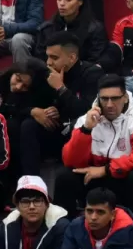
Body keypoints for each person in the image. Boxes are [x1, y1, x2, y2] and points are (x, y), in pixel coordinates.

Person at [55, 75, 133, 229]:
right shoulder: (86, 120)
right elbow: (70, 160)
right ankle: (62, 233)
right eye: (104, 99)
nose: (109, 104)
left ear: (125, 98)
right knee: (65, 175)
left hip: (125, 179)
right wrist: (86, 130)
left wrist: (106, 170)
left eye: (115, 99)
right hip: (96, 179)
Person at [30, 34, 102, 175]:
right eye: (48, 56)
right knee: (28, 125)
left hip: (79, 132)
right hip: (56, 128)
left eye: (54, 58)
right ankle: (31, 180)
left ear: (72, 58)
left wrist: (61, 89)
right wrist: (35, 110)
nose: (49, 62)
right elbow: (29, 101)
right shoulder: (47, 72)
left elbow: (87, 112)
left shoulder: (92, 73)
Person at [32, 0, 117, 73]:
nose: (62, 3)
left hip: (82, 78)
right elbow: (39, 59)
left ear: (80, 1)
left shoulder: (94, 29)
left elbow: (95, 62)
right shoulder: (46, 29)